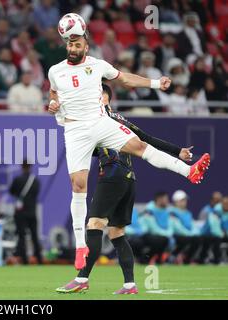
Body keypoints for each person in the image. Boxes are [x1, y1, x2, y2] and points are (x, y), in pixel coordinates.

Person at [47, 17, 210, 272]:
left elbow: (125, 79)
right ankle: (81, 246)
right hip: (75, 129)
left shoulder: (98, 65)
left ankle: (189, 171)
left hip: (99, 121)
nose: (72, 48)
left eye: (76, 43)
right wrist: (53, 104)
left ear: (86, 45)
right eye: (69, 44)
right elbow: (53, 94)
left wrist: (155, 83)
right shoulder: (55, 71)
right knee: (78, 186)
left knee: (140, 146)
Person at [56, 84, 191, 294]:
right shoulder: (120, 120)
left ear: (105, 97)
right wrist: (177, 151)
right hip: (129, 180)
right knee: (116, 232)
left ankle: (82, 278)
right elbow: (146, 139)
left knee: (94, 224)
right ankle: (130, 284)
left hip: (111, 177)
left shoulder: (97, 121)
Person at [9, 161, 42, 265]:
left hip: (20, 212)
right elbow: (36, 193)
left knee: (21, 236)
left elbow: (12, 191)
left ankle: (24, 259)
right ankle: (39, 258)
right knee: (34, 236)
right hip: (32, 211)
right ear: (30, 167)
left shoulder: (17, 180)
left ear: (22, 167)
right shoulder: (35, 181)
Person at [169, 190, 201, 264]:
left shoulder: (188, 213)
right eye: (182, 200)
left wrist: (194, 233)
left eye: (185, 200)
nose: (185, 202)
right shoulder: (172, 212)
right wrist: (189, 234)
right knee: (185, 240)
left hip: (187, 235)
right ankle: (173, 256)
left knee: (197, 239)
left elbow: (193, 226)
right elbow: (177, 228)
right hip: (176, 236)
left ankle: (188, 259)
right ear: (176, 202)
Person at [141, 192, 174, 265]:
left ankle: (159, 260)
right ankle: (147, 259)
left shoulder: (168, 211)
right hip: (146, 234)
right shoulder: (149, 211)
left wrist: (168, 234)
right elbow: (153, 228)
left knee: (164, 240)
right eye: (166, 199)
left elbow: (170, 225)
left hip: (161, 235)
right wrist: (166, 235)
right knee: (162, 240)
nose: (167, 201)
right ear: (159, 199)